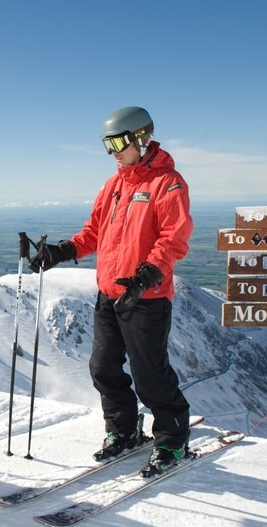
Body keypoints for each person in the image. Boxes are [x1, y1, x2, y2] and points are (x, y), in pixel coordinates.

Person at [29, 106, 193, 478]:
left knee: (150, 374)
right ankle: (123, 430)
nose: (113, 152)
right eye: (107, 144)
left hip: (146, 297)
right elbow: (94, 232)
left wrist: (147, 276)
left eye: (118, 142)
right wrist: (61, 251)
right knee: (102, 367)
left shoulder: (168, 183)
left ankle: (172, 438)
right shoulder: (114, 185)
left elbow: (174, 238)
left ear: (141, 138)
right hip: (110, 293)